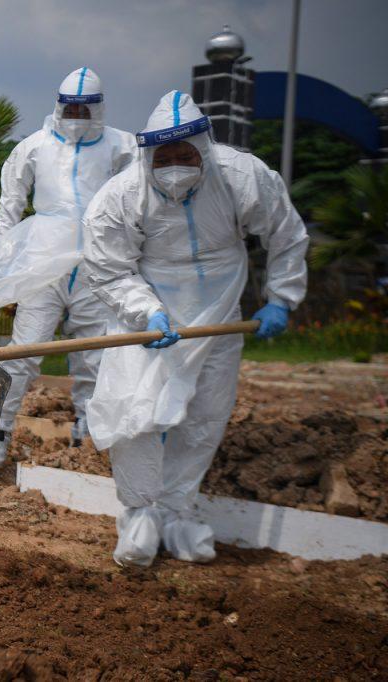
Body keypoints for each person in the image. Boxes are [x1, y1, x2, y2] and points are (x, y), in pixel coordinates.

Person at [82, 91, 309, 568]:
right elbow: (108, 270)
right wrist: (146, 311)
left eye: (185, 153)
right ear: (148, 155)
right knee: (136, 415)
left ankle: (177, 511)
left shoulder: (244, 177)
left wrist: (280, 299)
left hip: (220, 312)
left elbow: (286, 234)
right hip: (147, 313)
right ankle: (139, 515)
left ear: (203, 148)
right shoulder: (120, 197)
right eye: (163, 156)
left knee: (204, 416)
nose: (175, 164)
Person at [0, 68, 137, 472]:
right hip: (44, 263)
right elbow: (10, 204)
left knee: (93, 356)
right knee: (23, 353)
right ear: (59, 105)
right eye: (71, 107)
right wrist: (9, 257)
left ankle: (88, 431)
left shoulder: (121, 145)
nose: (77, 114)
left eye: (85, 107)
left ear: (98, 109)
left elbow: (140, 195)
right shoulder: (35, 146)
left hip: (96, 263)